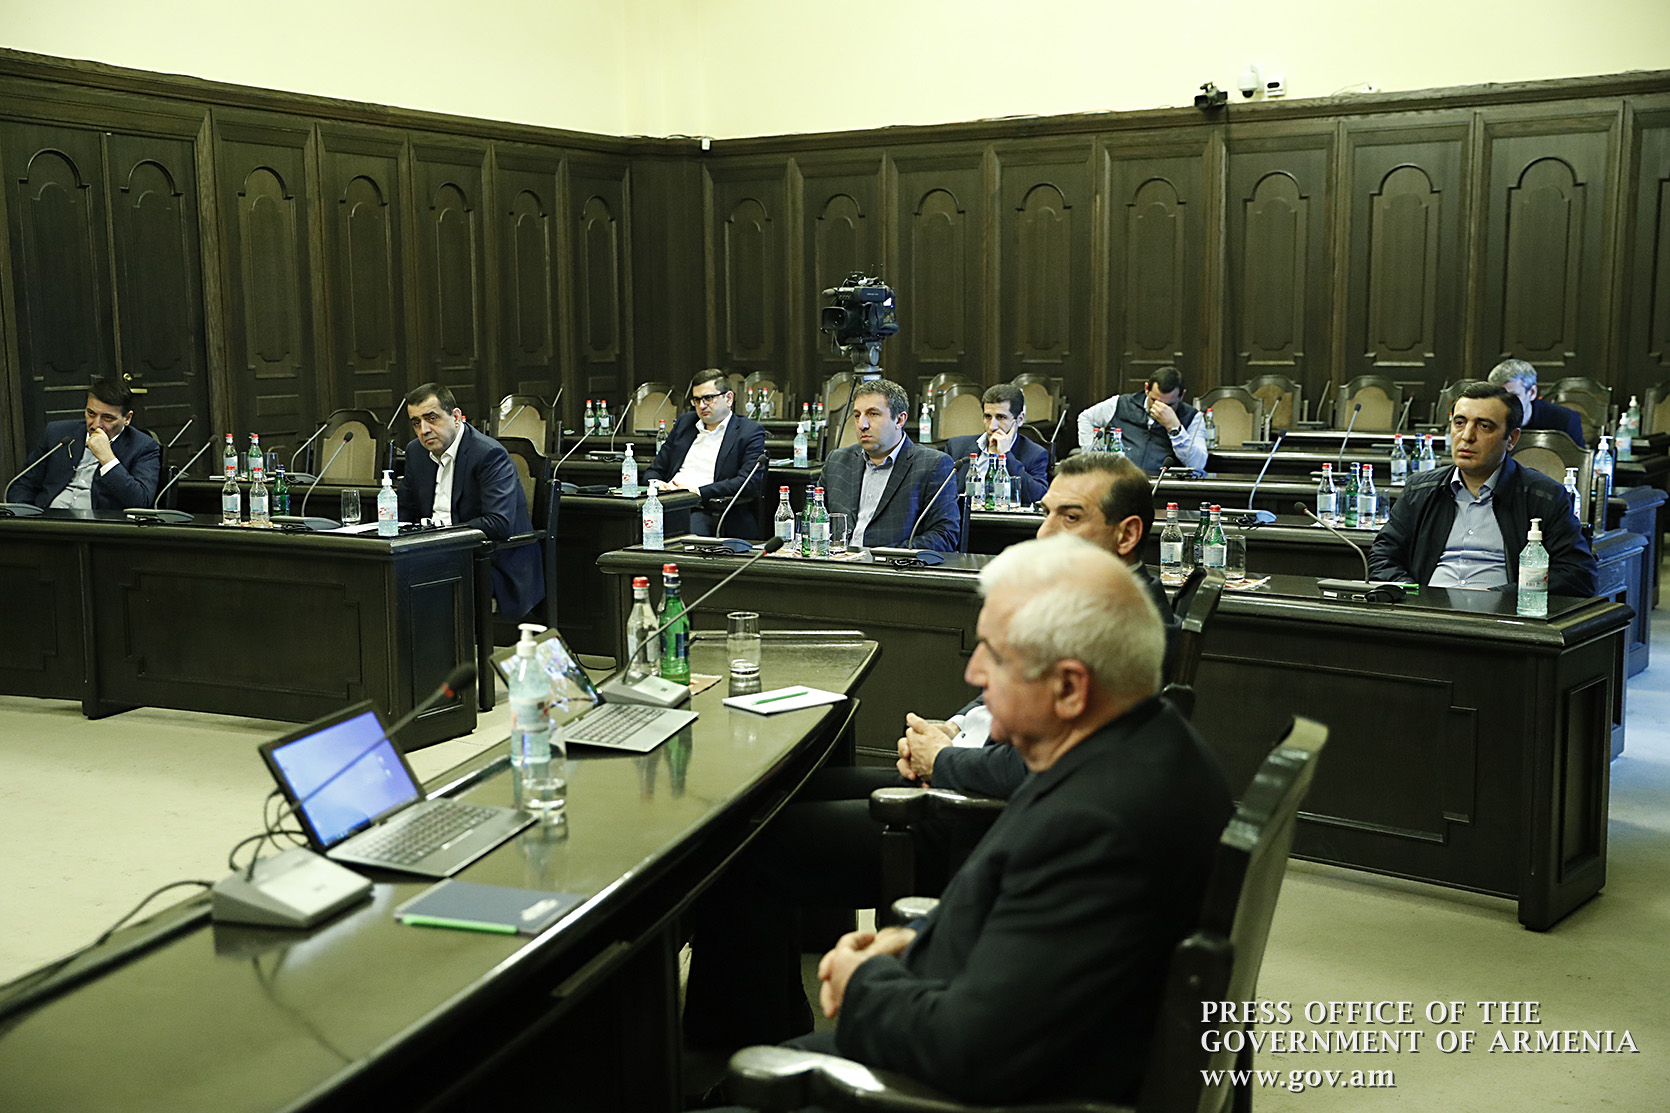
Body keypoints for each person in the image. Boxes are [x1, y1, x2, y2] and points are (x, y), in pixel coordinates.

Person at [680, 453, 1180, 1058]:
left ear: (1128, 534)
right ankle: (760, 1018)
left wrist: (941, 761)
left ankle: (737, 1047)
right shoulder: (1120, 686)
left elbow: (975, 1032)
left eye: (1069, 517)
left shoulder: (1113, 648)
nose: (1045, 532)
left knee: (744, 847)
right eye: (1045, 513)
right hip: (970, 801)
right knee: (776, 796)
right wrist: (955, 730)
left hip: (963, 815)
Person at [805, 536, 1232, 1104]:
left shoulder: (1094, 825)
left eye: (994, 654)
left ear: (1069, 687)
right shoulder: (1136, 740)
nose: (974, 673)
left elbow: (967, 1052)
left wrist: (863, 981)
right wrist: (915, 942)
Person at [1369, 382, 1596, 597]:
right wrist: (1414, 596)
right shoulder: (1420, 490)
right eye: (1459, 423)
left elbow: (1577, 575)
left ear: (1512, 439)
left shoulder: (1544, 497)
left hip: (1503, 615)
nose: (1467, 436)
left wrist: (1503, 596)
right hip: (1427, 612)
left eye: (1484, 426)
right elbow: (1382, 557)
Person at [398, 382, 545, 619]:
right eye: (416, 422)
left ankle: (442, 643)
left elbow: (498, 523)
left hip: (490, 559)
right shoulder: (416, 452)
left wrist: (441, 535)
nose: (424, 430)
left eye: (432, 418)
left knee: (419, 580)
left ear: (456, 417)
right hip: (435, 553)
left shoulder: (488, 454)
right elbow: (404, 510)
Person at [818, 378, 959, 551]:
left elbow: (944, 536)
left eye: (873, 414)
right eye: (857, 416)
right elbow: (813, 521)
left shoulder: (932, 465)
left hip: (891, 566)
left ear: (899, 420)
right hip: (835, 562)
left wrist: (883, 556)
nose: (862, 425)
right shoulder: (837, 461)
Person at [644, 368, 768, 538]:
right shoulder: (685, 424)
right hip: (668, 503)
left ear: (728, 398)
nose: (702, 406)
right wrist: (658, 485)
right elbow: (654, 470)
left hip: (708, 509)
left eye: (708, 398)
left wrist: (697, 492)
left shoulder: (749, 431)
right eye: (697, 400)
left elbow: (749, 482)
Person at [10, 378, 161, 511]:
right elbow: (23, 484)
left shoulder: (143, 446)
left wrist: (107, 459)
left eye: (107, 418)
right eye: (91, 414)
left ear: (127, 418)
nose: (96, 425)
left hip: (96, 527)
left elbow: (141, 502)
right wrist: (25, 518)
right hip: (49, 519)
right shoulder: (57, 433)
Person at [1074, 365, 1206, 475]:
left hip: (1163, 484)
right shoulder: (1121, 403)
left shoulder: (1193, 417)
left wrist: (1174, 428)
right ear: (1147, 389)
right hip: (1120, 479)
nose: (1160, 409)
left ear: (1181, 396)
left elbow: (1198, 464)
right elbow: (1085, 418)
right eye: (1154, 401)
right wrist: (1091, 456)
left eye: (1169, 405)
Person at [945, 382, 1050, 505]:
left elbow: (1036, 498)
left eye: (1001, 417)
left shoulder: (1035, 454)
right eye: (988, 417)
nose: (992, 426)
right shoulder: (957, 447)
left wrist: (1006, 455)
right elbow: (944, 495)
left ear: (1020, 419)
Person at [1486, 358, 1586, 447]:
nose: (1504, 403)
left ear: (1532, 393)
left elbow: (1578, 461)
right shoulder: (1485, 420)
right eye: (1498, 396)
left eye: (1513, 396)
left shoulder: (1565, 420)